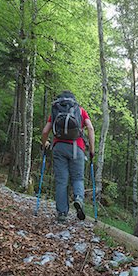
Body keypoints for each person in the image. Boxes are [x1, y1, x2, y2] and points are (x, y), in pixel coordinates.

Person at [41, 90, 95, 222]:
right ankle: (78, 199)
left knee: (61, 181)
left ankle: (62, 214)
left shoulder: (56, 110)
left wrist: (44, 143)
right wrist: (92, 150)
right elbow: (90, 128)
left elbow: (45, 131)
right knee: (78, 179)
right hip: (77, 147)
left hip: (59, 147)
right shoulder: (80, 111)